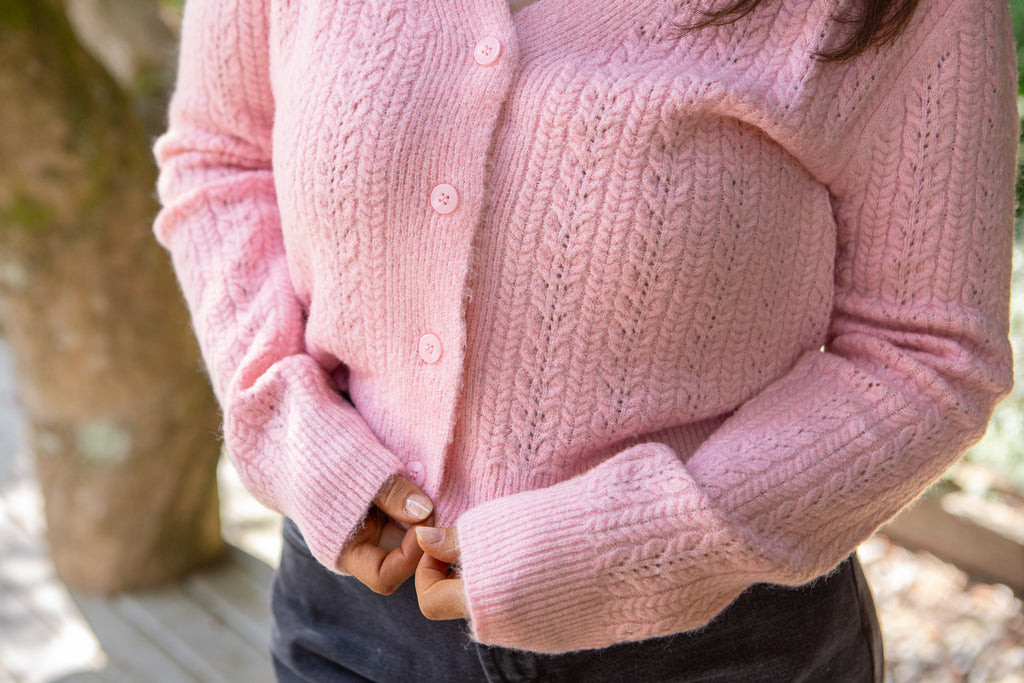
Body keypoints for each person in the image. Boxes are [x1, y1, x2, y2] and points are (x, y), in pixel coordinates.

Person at [153, 0, 1016, 679]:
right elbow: (223, 155)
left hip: (715, 649)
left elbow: (924, 353)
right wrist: (286, 419)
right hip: (356, 630)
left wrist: (630, 546)